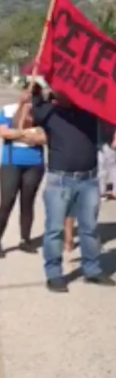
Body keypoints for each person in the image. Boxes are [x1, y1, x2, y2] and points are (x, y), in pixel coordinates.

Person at [16, 88, 115, 292]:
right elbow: (21, 126)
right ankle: (54, 275)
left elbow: (110, 99)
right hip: (60, 179)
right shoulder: (47, 111)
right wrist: (27, 101)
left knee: (89, 228)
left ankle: (92, 270)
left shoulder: (89, 110)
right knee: (55, 230)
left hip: (88, 179)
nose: (67, 93)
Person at [0, 86, 46, 257]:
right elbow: (3, 132)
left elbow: (42, 137)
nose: (29, 97)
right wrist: (27, 133)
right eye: (27, 92)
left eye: (34, 94)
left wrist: (17, 134)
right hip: (11, 163)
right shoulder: (8, 109)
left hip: (34, 163)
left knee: (27, 202)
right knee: (6, 202)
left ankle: (25, 240)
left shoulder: (42, 113)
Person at [98, 118, 116, 201]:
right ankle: (102, 191)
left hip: (111, 137)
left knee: (112, 164)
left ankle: (115, 191)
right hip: (100, 136)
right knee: (101, 164)